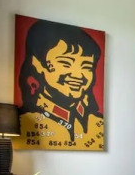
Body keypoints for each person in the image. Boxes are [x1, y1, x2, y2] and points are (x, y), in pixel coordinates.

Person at [16, 19, 104, 150]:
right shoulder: (22, 122)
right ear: (38, 64)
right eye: (65, 63)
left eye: (87, 66)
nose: (78, 75)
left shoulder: (98, 124)